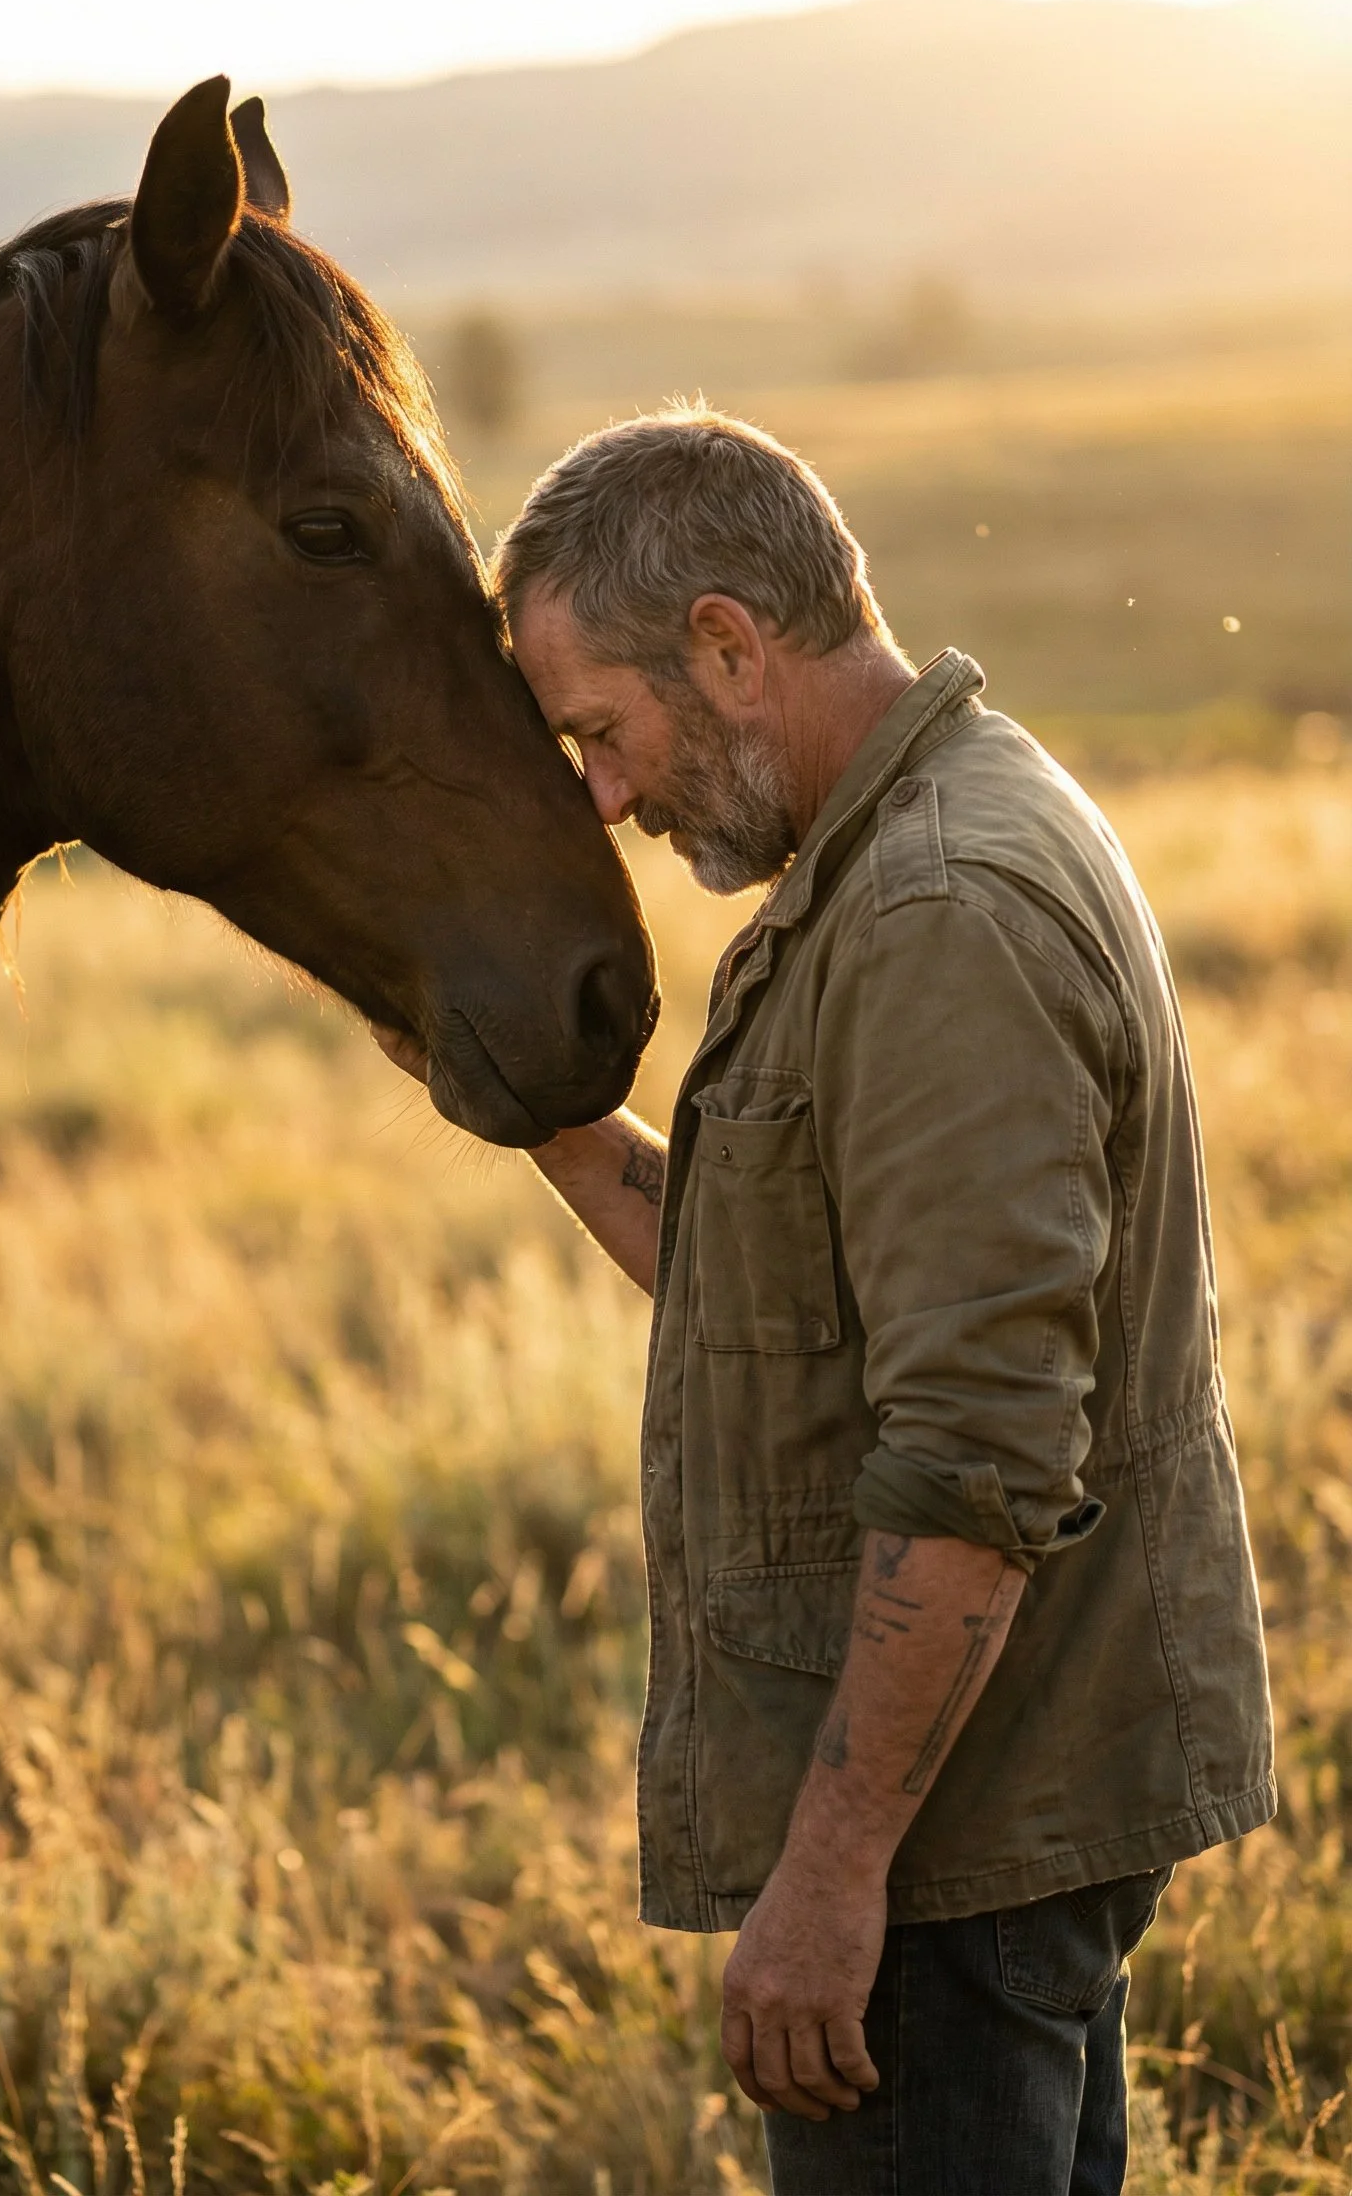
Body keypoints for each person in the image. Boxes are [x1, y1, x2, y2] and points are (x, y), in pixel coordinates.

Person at [376, 410, 1274, 2195]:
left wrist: (831, 1875)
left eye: (601, 738)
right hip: (989, 1804)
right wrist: (548, 1124)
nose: (609, 802)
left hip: (960, 1843)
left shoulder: (940, 914)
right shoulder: (910, 844)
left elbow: (976, 1453)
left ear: (728, 644)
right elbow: (785, 1305)